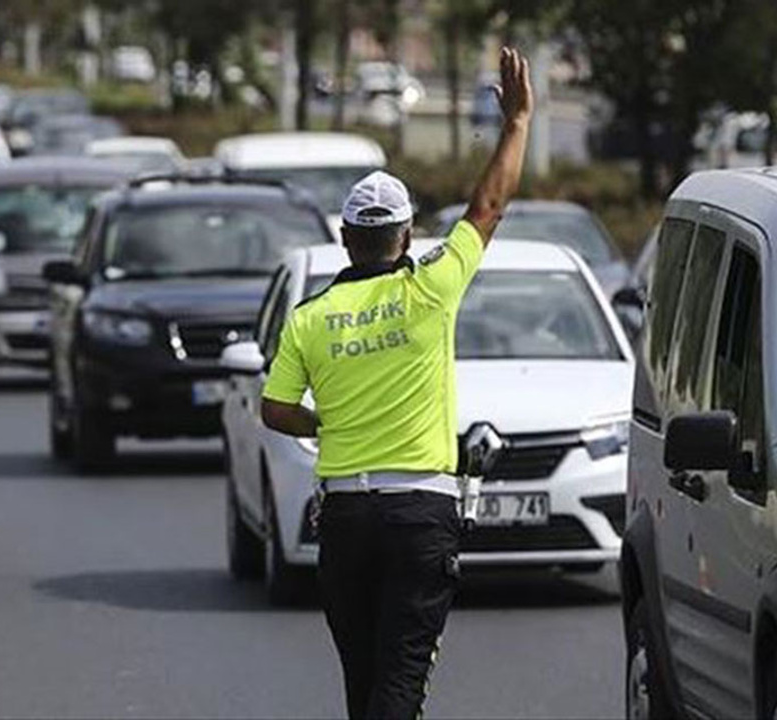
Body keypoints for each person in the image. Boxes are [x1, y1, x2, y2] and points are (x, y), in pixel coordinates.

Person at [260, 47, 533, 719]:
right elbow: (489, 205)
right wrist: (518, 122)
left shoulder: (310, 318)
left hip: (347, 518)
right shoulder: (432, 289)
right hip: (420, 516)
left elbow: (273, 409)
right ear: (407, 236)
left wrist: (326, 424)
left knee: (365, 681)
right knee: (400, 680)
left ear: (347, 239)